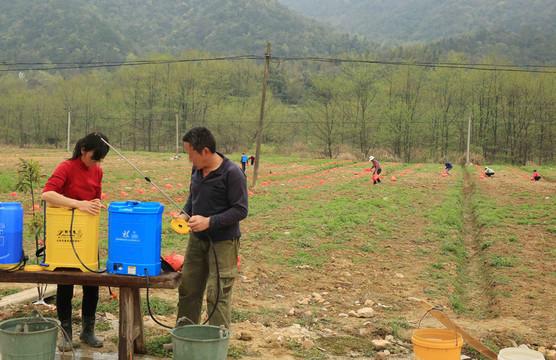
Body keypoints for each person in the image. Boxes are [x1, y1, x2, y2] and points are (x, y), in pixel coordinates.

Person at [41, 132, 109, 351]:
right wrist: (78, 204)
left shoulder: (97, 170)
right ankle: (65, 332)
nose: (95, 162)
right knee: (66, 282)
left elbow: (95, 197)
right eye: (93, 157)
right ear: (83, 150)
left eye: (99, 159)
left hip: (87, 235)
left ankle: (88, 331)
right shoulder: (66, 167)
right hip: (66, 233)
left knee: (92, 284)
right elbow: (47, 194)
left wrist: (98, 204)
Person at [176, 127, 248, 329]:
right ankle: (185, 335)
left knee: (217, 294)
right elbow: (193, 197)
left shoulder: (233, 173)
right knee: (189, 288)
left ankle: (217, 341)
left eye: (191, 154)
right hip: (197, 240)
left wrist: (209, 221)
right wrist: (185, 212)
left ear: (205, 151)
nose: (189, 159)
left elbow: (240, 210)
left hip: (223, 242)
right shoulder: (197, 169)